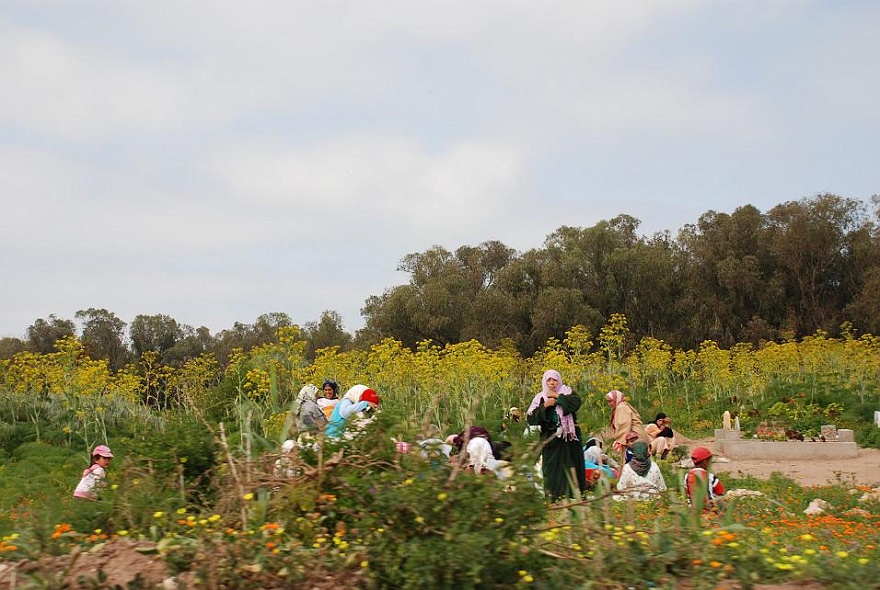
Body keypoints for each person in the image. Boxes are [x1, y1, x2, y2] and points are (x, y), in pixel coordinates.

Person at [526, 369, 588, 500]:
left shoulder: (568, 392)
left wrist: (558, 397)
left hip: (570, 438)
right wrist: (545, 406)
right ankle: (554, 496)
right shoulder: (539, 398)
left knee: (572, 465)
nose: (552, 383)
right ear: (545, 382)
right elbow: (531, 419)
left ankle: (575, 495)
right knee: (552, 468)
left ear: (559, 380)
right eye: (549, 380)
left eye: (554, 380)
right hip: (550, 439)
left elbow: (575, 404)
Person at [605, 390, 648, 456]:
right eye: (608, 402)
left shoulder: (621, 407)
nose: (609, 404)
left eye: (611, 401)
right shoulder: (623, 406)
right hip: (636, 437)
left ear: (617, 399)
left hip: (634, 438)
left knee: (635, 461)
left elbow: (624, 424)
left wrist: (620, 440)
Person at [685, 446, 726, 512]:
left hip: (694, 510)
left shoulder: (687, 476)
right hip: (710, 509)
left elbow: (686, 492)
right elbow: (720, 492)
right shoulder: (710, 476)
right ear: (705, 461)